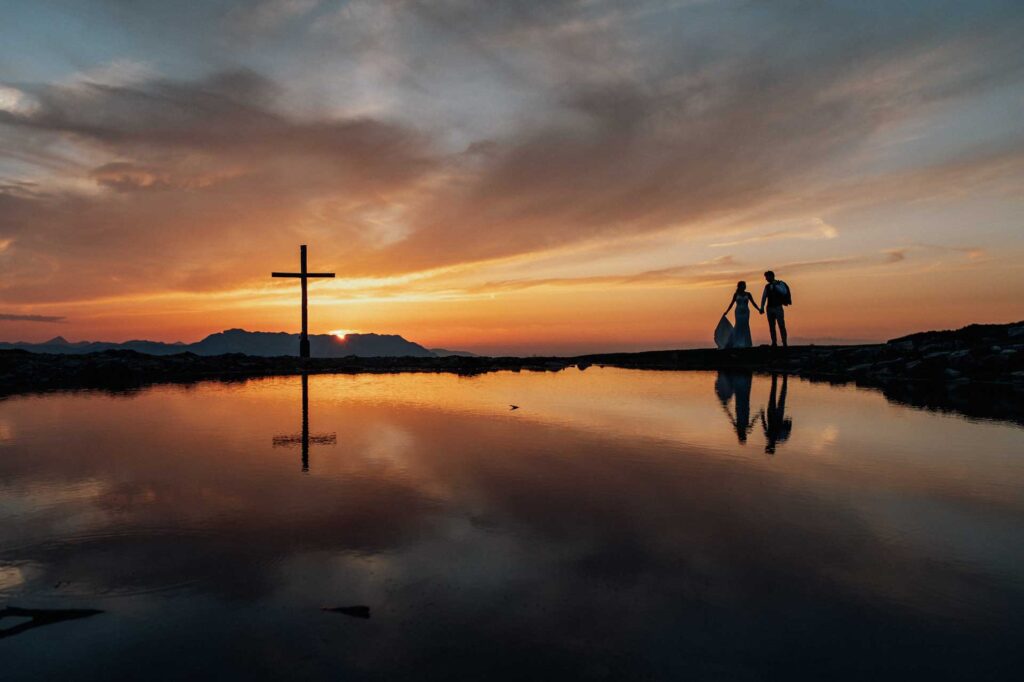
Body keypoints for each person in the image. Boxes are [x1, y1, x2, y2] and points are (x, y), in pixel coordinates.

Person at [721, 281, 762, 348]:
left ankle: (745, 342)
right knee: (738, 325)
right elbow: (731, 304)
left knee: (745, 325)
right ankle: (737, 342)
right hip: (738, 312)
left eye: (744, 285)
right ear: (739, 286)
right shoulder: (736, 294)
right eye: (743, 285)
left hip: (746, 312)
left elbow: (753, 303)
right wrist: (727, 311)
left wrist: (759, 309)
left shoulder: (748, 294)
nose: (744, 286)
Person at [760, 270, 789, 347]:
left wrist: (775, 286)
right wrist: (762, 307)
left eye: (766, 277)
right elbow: (764, 297)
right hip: (769, 308)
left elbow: (784, 292)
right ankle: (774, 342)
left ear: (771, 276)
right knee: (771, 326)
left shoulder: (780, 283)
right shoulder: (767, 286)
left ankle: (784, 342)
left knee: (781, 325)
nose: (766, 279)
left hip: (778, 307)